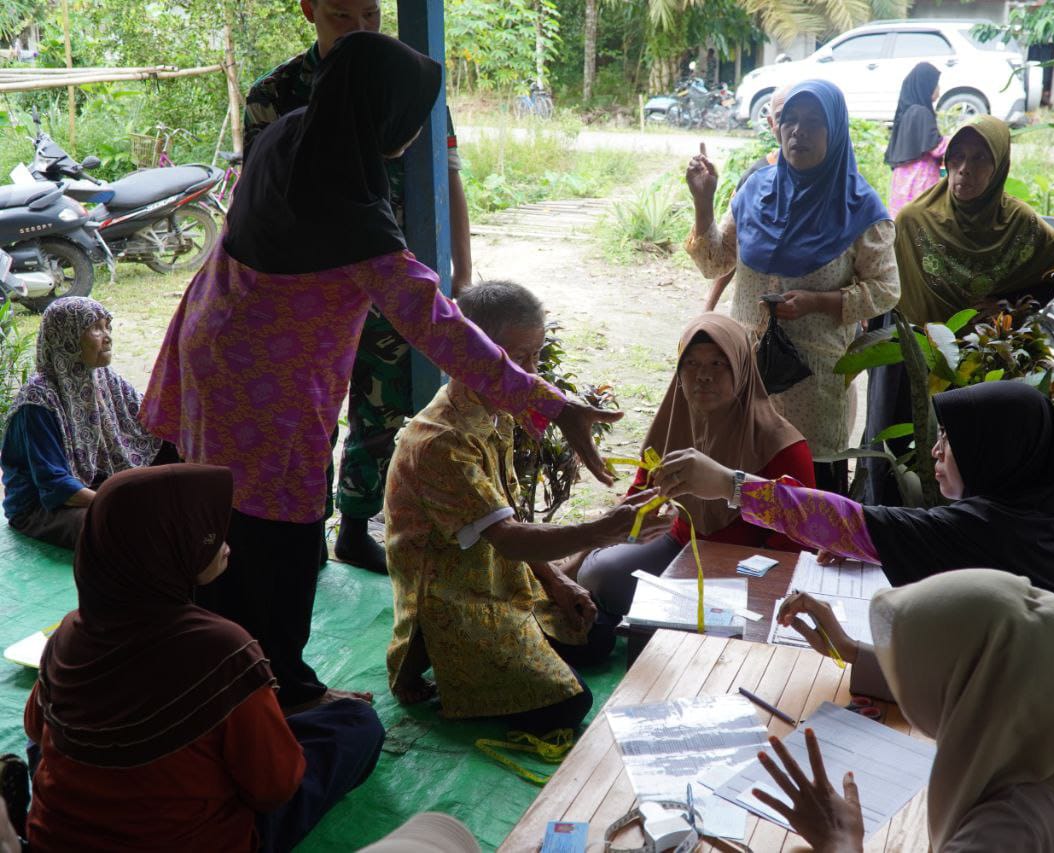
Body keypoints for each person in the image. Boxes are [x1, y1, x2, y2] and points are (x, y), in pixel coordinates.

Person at [142, 32, 620, 713]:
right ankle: (278, 691)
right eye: (411, 115)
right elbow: (440, 325)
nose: (415, 130)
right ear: (380, 112)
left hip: (209, 339)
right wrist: (552, 404)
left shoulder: (290, 136)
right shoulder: (349, 212)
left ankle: (217, 664)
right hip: (267, 384)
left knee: (214, 514)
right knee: (276, 534)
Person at [23, 465, 386, 853]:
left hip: (54, 840)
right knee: (356, 722)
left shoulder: (69, 633)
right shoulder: (222, 650)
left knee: (59, 742)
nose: (224, 539)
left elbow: (34, 729)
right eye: (205, 529)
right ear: (166, 546)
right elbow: (274, 788)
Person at [244, 0, 474, 574]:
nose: (360, 29)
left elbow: (447, 178)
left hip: (390, 278)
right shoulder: (277, 95)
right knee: (309, 411)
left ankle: (354, 525)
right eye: (342, 16)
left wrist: (461, 273)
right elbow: (261, 199)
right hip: (312, 290)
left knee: (385, 407)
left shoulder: (404, 81)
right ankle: (307, 525)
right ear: (309, 11)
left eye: (371, 15)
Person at [652, 381, 1054, 644]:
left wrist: (729, 484)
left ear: (996, 453)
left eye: (951, 439)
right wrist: (873, 546)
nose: (936, 449)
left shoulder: (991, 531)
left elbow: (855, 524)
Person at [385, 281, 653, 731]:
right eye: (516, 359)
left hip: (501, 572)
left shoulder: (498, 409)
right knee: (571, 706)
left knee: (599, 636)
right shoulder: (441, 441)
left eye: (536, 356)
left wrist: (556, 581)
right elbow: (508, 539)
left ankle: (521, 641)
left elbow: (508, 515)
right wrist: (602, 530)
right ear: (473, 356)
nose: (531, 374)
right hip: (453, 595)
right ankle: (427, 654)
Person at [753, 570, 1054, 852]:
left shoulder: (1007, 830)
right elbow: (973, 681)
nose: (909, 676)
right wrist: (851, 651)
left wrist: (839, 843)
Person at [685, 79, 899, 496]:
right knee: (737, 486)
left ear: (835, 131)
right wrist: (703, 202)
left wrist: (820, 302)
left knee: (805, 496)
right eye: (790, 120)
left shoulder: (860, 207)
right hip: (744, 372)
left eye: (814, 122)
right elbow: (715, 262)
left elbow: (886, 289)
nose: (799, 131)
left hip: (813, 384)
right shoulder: (755, 190)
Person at [863, 115, 1054, 505]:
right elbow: (886, 293)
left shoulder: (1019, 224)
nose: (964, 170)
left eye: (979, 159)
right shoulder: (914, 220)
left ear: (999, 166)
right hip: (910, 362)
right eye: (957, 157)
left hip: (976, 361)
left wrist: (1009, 308)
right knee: (896, 456)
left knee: (968, 461)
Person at [577, 313, 815, 618]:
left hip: (748, 565)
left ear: (742, 369)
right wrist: (576, 559)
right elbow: (640, 498)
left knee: (719, 615)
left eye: (718, 363)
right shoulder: (672, 425)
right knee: (599, 575)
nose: (703, 375)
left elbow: (794, 545)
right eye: (691, 363)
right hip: (679, 542)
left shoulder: (781, 446)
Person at [1, 297, 174, 550]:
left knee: (178, 480)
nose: (107, 337)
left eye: (107, 327)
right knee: (124, 527)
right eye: (95, 328)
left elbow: (149, 424)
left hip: (94, 483)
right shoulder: (38, 403)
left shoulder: (103, 378)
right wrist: (119, 504)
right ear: (67, 338)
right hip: (44, 506)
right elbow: (55, 484)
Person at [704, 85, 790, 313]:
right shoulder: (755, 179)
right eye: (784, 117)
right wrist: (708, 308)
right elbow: (729, 248)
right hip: (754, 320)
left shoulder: (844, 190)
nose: (795, 128)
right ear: (772, 124)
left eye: (808, 119)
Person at [884, 62, 947, 218]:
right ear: (926, 85)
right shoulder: (921, 113)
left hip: (902, 181)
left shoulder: (907, 111)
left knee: (903, 222)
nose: (939, 90)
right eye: (936, 84)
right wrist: (958, 140)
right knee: (920, 222)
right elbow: (936, 148)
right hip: (919, 179)